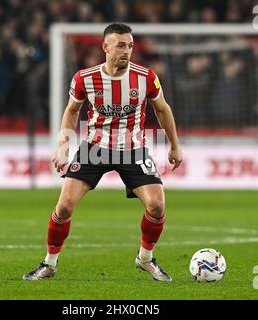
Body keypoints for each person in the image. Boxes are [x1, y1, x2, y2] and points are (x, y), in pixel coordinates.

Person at [23, 23, 183, 282]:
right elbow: (72, 110)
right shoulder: (84, 78)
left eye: (130, 45)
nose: (127, 51)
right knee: (63, 207)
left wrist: (174, 145)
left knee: (157, 206)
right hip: (94, 149)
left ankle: (145, 259)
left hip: (133, 150)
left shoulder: (146, 77)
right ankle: (49, 264)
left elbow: (162, 109)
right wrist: (63, 146)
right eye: (120, 45)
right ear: (105, 47)